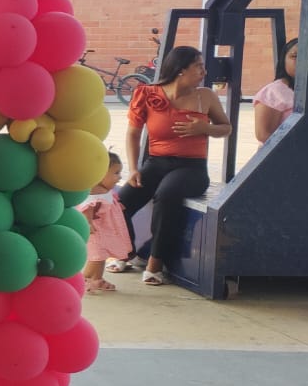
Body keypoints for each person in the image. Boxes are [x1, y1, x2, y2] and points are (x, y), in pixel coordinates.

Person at [117, 46, 231, 286]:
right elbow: (133, 134)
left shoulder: (206, 96)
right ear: (181, 70)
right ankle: (126, 252)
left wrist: (205, 128)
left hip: (192, 168)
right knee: (120, 203)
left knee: (166, 195)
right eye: (198, 66)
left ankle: (156, 262)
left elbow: (226, 128)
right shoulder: (148, 94)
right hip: (156, 163)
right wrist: (134, 169)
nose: (204, 71)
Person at [77, 152, 133, 292]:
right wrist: (88, 223)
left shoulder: (104, 190)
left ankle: (97, 279)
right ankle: (84, 280)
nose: (120, 177)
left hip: (105, 231)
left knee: (102, 256)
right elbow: (87, 208)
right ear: (100, 174)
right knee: (96, 257)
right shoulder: (93, 192)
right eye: (116, 173)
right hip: (96, 232)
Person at [253, 38, 298, 142]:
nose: (303, 60)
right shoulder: (274, 92)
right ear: (283, 60)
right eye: (294, 56)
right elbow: (264, 135)